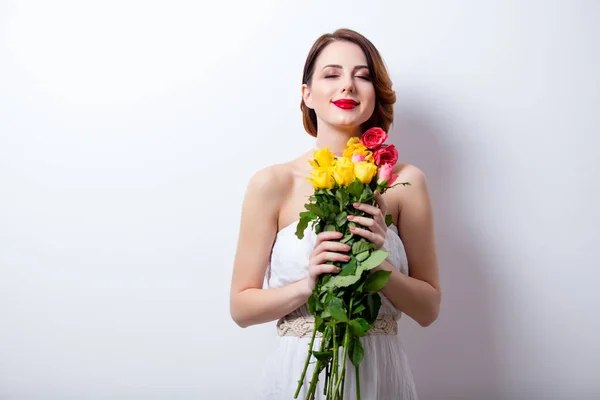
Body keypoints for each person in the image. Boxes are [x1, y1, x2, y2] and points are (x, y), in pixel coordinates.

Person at [229, 28, 441, 399]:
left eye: (362, 76)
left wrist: (378, 265)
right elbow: (241, 308)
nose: (348, 86)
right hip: (300, 373)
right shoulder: (272, 184)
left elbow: (428, 309)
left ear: (375, 94)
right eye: (332, 74)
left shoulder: (406, 183)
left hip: (380, 377)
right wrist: (307, 285)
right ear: (307, 94)